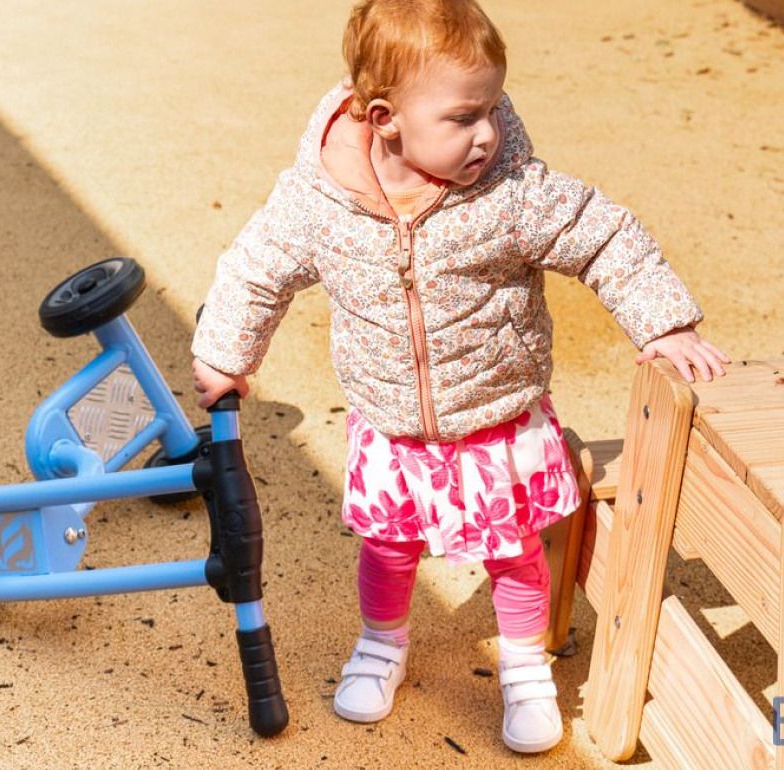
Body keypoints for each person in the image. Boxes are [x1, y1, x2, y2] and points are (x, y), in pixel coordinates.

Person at [191, 0, 729, 753]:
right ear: (384, 118)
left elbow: (602, 235)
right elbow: (256, 269)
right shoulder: (321, 200)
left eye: (493, 109)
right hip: (391, 421)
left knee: (511, 549)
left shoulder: (509, 194)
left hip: (493, 412)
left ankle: (525, 666)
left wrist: (663, 321)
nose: (487, 133)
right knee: (389, 548)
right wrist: (225, 355)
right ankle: (382, 645)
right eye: (464, 117)